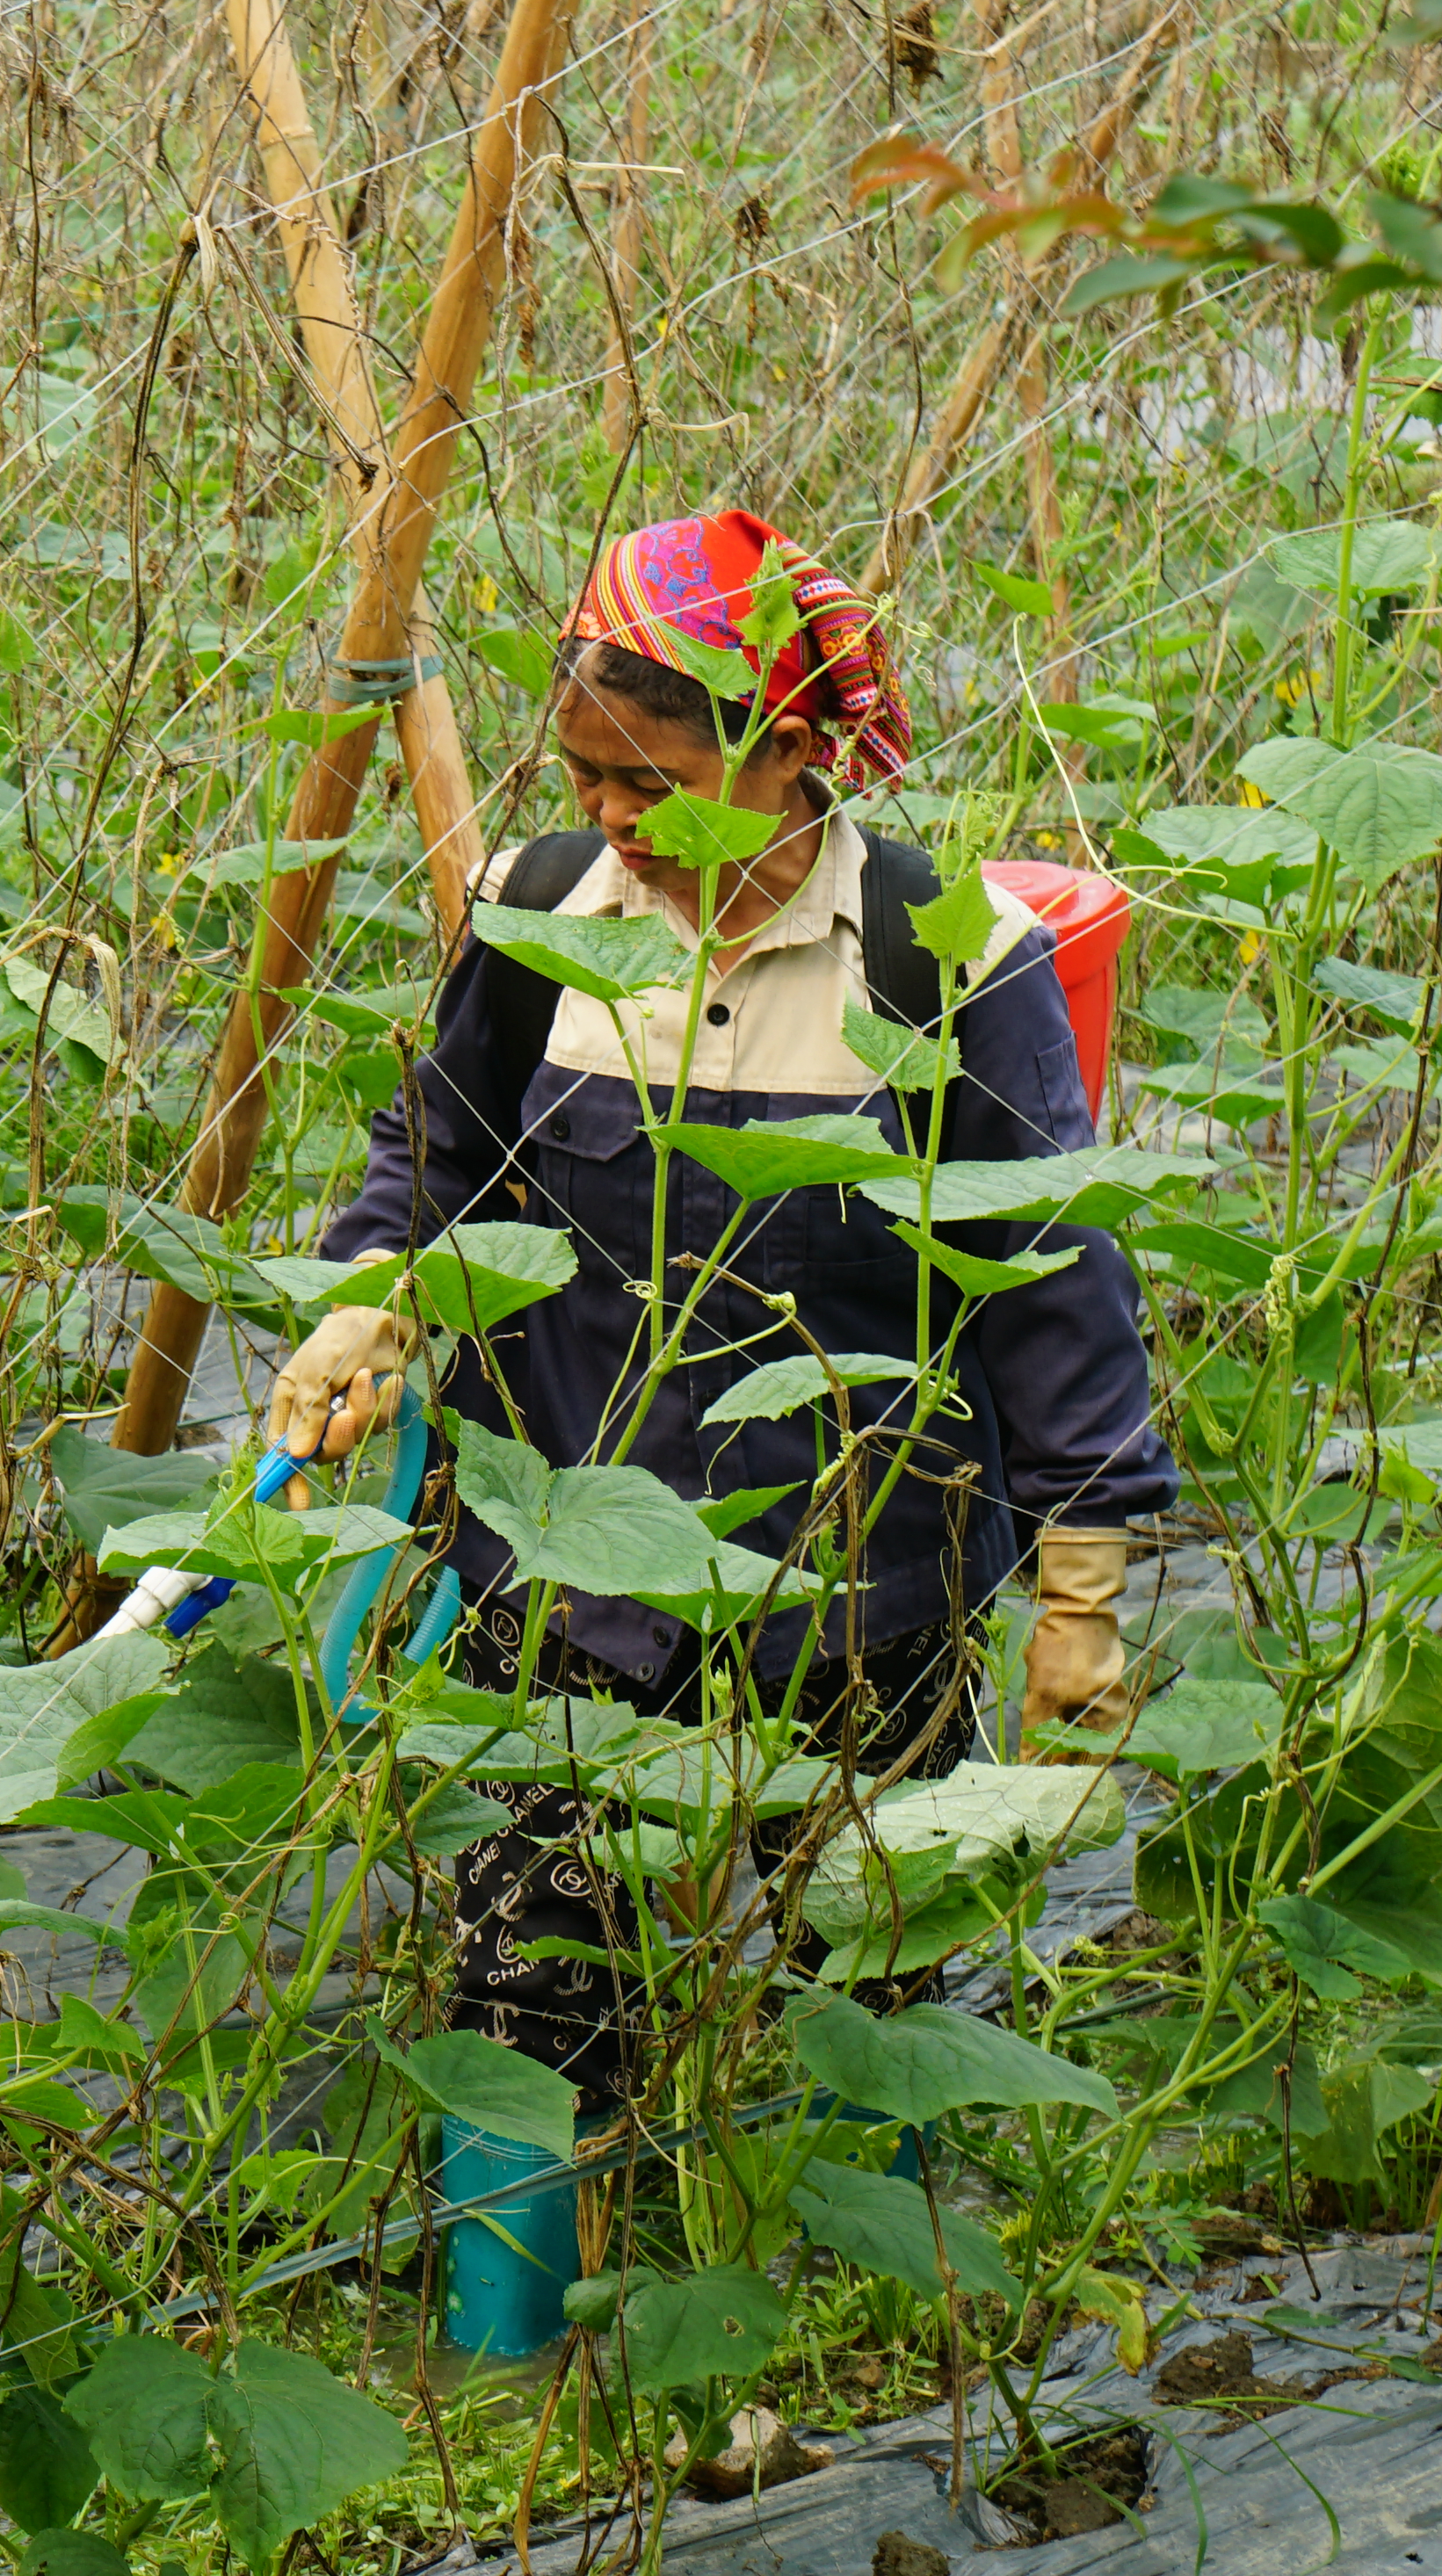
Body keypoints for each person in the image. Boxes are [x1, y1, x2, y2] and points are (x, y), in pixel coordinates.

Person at [270, 510, 1170, 2109]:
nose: (614, 822)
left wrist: (1083, 1598)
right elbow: (443, 1155)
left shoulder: (939, 951)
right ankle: (513, 2344)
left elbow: (1052, 1277)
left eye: (652, 783)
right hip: (561, 1575)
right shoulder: (544, 914)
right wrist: (369, 1308)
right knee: (528, 2014)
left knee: (876, 2001)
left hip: (854, 1597)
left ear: (782, 753)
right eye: (586, 782)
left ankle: (872, 2330)